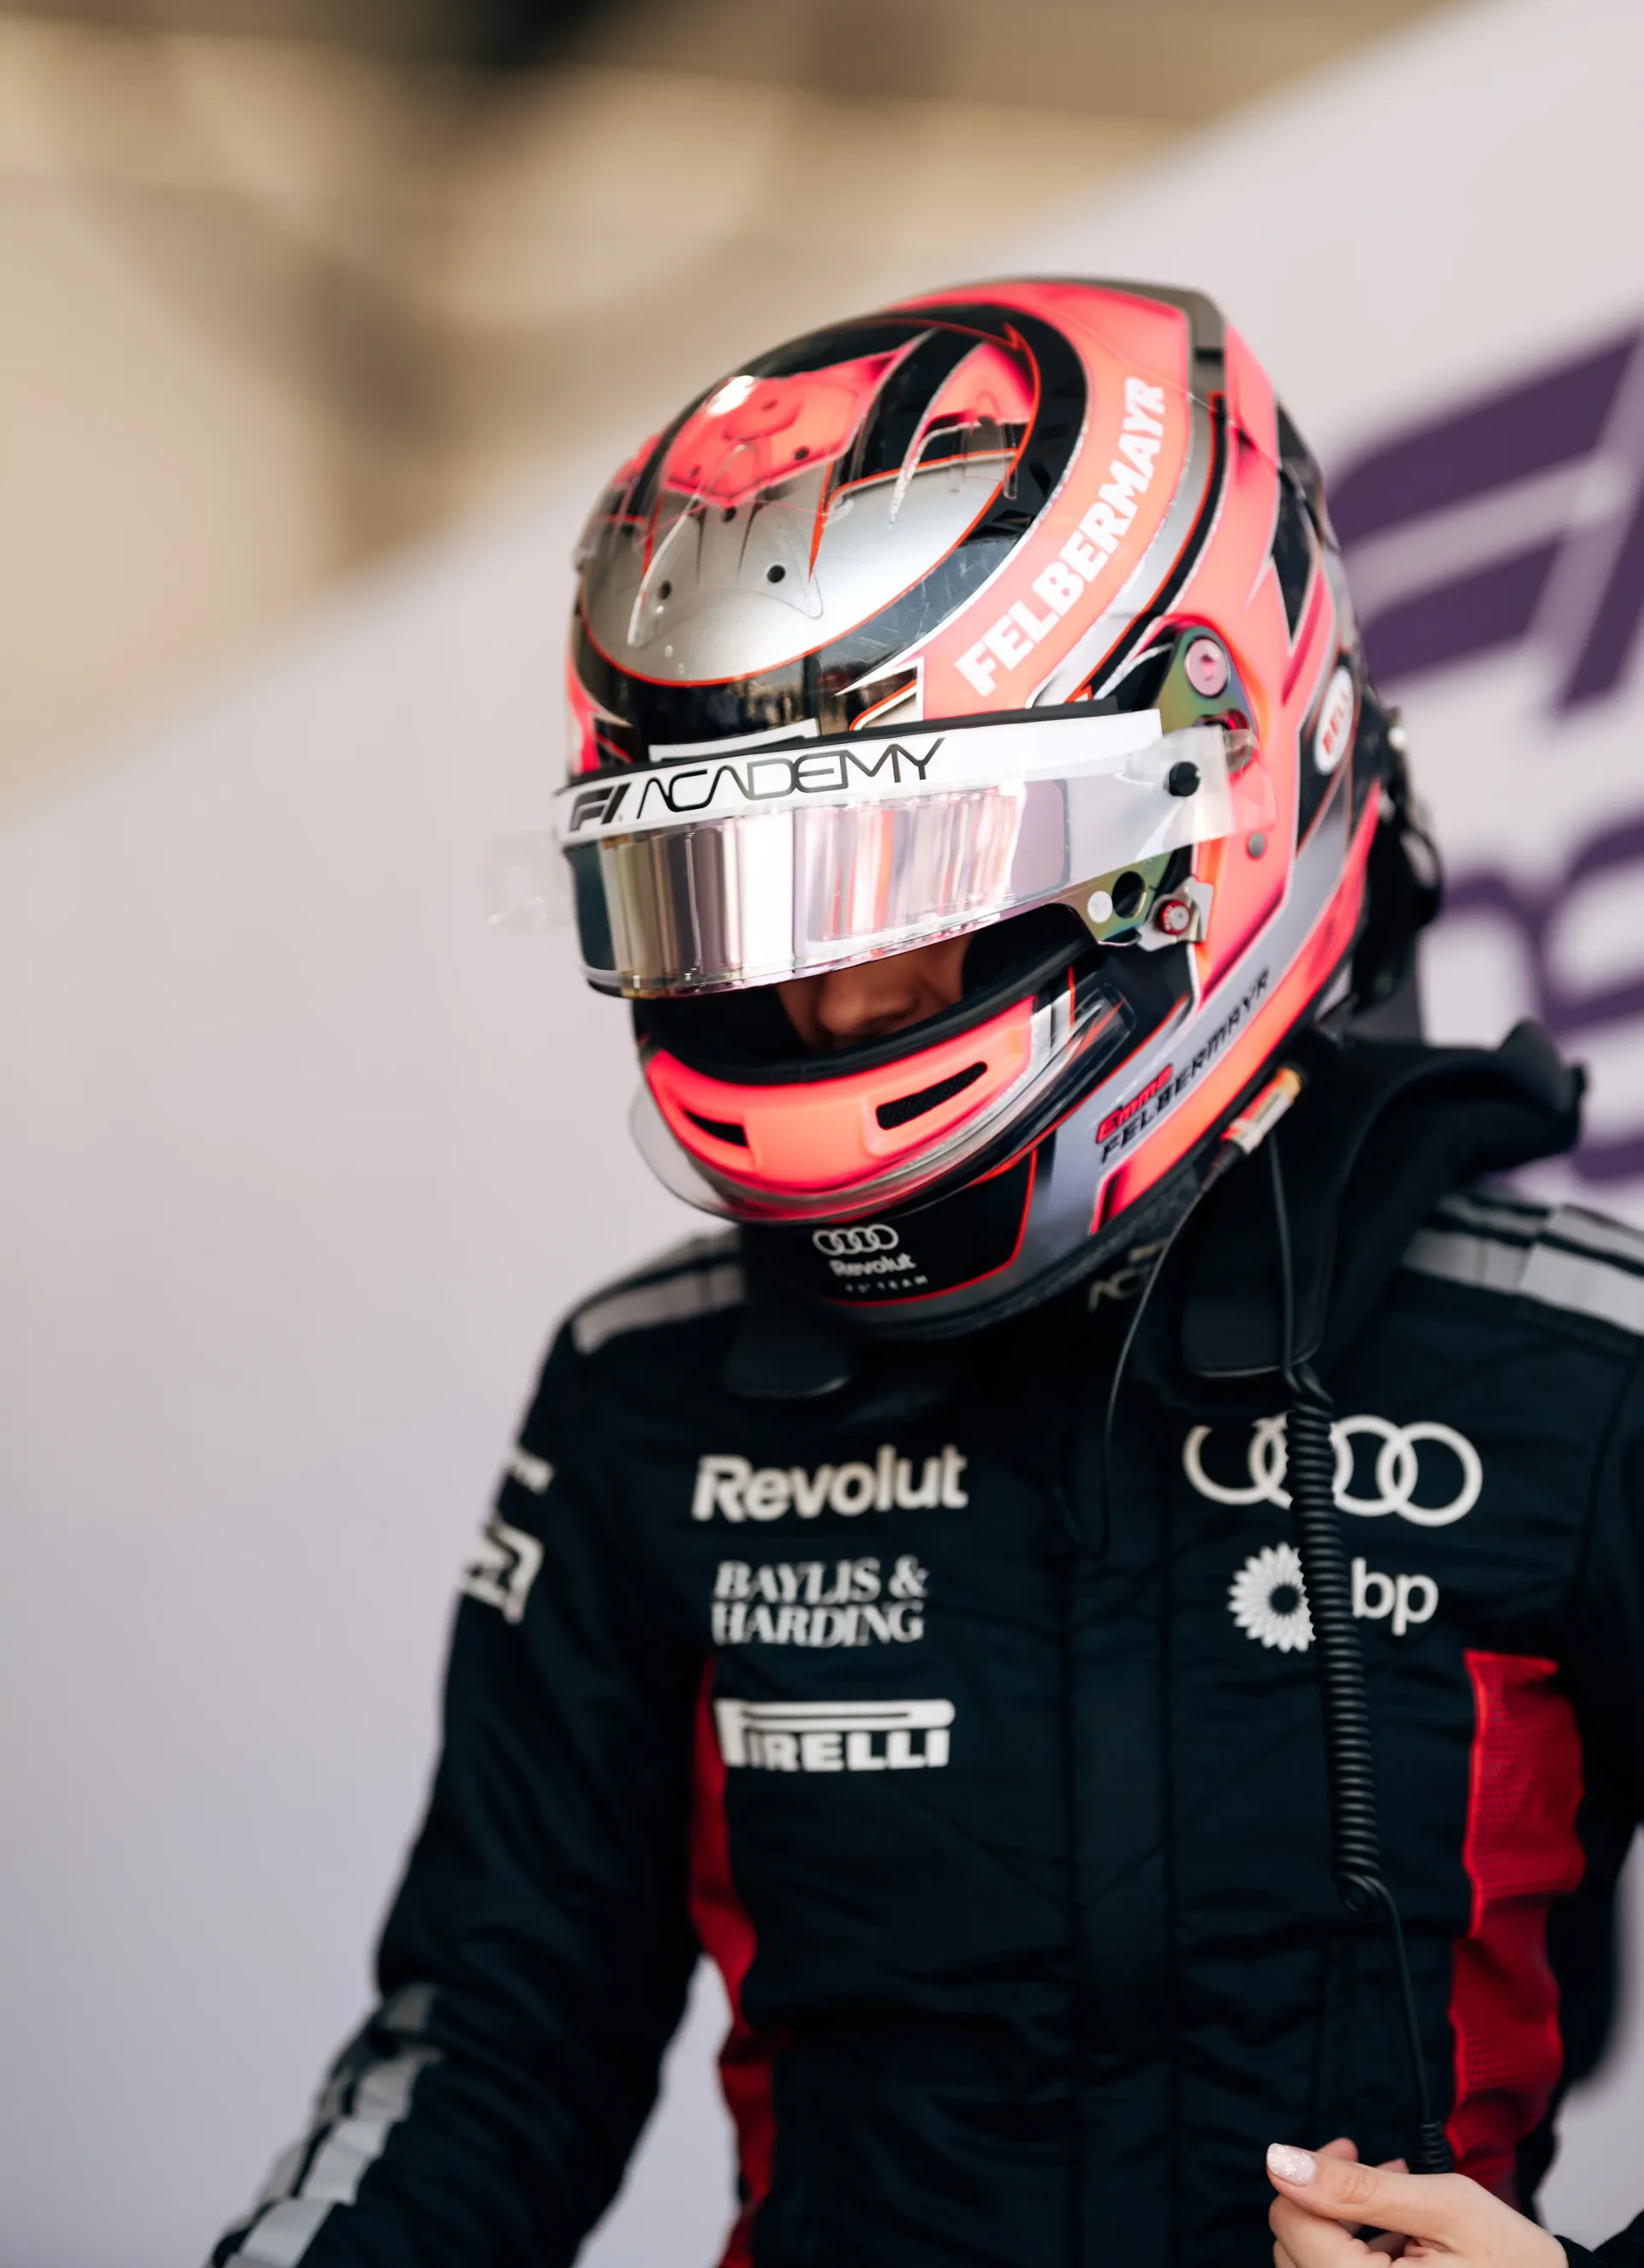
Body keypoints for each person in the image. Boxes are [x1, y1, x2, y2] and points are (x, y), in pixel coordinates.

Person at [211, 281, 1644, 2268]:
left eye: (905, 879)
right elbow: (489, 2056)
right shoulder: (649, 1403)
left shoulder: (1582, 1374)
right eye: (737, 901)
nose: (819, 991)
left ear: (1200, 789)